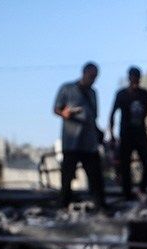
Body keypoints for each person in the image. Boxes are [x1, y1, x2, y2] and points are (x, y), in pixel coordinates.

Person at [52, 62, 107, 210]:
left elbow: (93, 116)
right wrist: (65, 113)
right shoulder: (67, 88)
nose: (93, 79)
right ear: (84, 73)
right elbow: (56, 109)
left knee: (96, 176)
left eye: (95, 77)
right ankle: (63, 204)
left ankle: (100, 204)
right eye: (91, 76)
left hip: (89, 142)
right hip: (72, 142)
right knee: (67, 175)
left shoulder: (93, 93)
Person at [109, 66, 147, 200]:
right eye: (133, 77)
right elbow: (113, 114)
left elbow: (146, 111)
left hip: (140, 133)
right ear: (129, 78)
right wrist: (112, 134)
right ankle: (127, 193)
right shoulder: (121, 94)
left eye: (137, 78)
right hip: (126, 134)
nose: (135, 80)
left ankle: (142, 189)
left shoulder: (144, 94)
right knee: (124, 165)